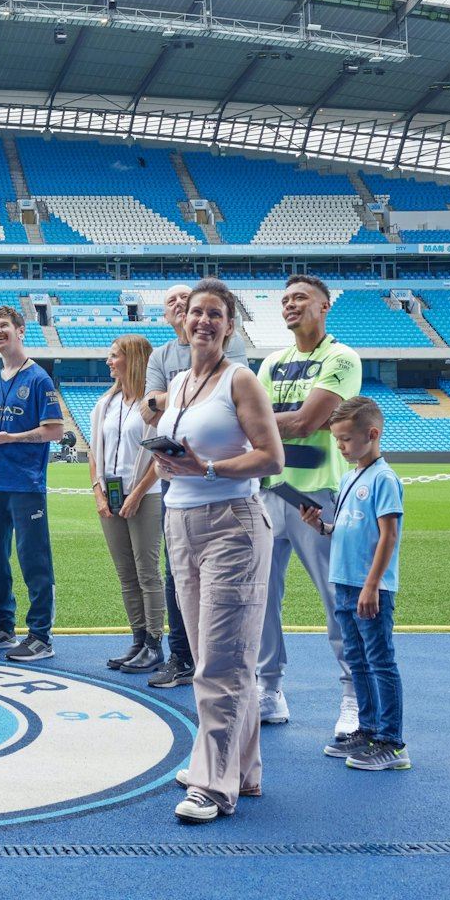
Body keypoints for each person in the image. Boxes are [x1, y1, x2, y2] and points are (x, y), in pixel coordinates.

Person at [149, 278, 284, 824]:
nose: (202, 321)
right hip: (180, 522)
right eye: (196, 313)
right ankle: (241, 769)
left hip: (233, 524)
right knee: (213, 656)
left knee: (223, 660)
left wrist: (207, 468)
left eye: (215, 314)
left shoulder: (241, 380)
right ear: (183, 323)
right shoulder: (179, 382)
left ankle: (212, 783)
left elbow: (271, 458)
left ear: (229, 327)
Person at [256, 274, 363, 735]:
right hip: (268, 492)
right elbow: (254, 420)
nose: (290, 305)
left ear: (324, 307)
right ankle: (269, 688)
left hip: (317, 496)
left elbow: (306, 421)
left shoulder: (341, 358)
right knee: (260, 598)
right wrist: (253, 423)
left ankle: (354, 697)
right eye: (285, 300)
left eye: (300, 298)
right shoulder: (272, 362)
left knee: (337, 599)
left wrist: (257, 423)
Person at [141, 282, 249, 688]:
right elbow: (147, 407)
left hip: (225, 500)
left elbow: (161, 402)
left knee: (223, 604)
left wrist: (204, 467)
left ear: (228, 326)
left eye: (207, 311)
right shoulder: (167, 360)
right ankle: (183, 658)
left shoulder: (232, 370)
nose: (192, 313)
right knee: (178, 575)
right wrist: (167, 400)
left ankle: (228, 677)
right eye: (180, 306)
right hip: (179, 492)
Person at [302, 396, 409, 771]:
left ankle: (392, 742)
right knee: (358, 659)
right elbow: (348, 530)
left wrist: (371, 585)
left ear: (373, 434)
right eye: (337, 440)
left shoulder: (384, 479)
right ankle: (367, 729)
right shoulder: (349, 477)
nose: (341, 447)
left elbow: (388, 536)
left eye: (346, 439)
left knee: (380, 660)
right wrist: (320, 527)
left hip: (368, 586)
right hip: (344, 581)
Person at [0, 305, 64, 662]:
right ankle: (3, 627)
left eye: (3, 326)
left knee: (33, 559)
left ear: (20, 330)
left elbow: (56, 430)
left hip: (25, 484)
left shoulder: (38, 379)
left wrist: (12, 438)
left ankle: (40, 636)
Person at [88, 335, 163, 673]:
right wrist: (98, 492)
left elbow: (160, 454)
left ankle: (154, 643)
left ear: (133, 359)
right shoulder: (106, 403)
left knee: (147, 571)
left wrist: (135, 495)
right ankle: (137, 639)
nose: (109, 361)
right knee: (126, 574)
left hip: (145, 496)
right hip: (111, 497)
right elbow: (93, 451)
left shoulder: (151, 404)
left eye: (114, 355)